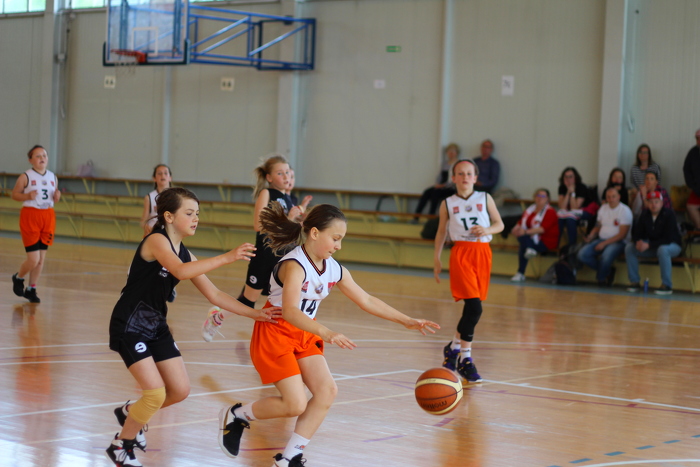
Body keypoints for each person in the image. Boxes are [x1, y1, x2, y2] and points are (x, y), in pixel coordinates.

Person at [209, 203, 439, 467]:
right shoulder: (294, 265)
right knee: (295, 404)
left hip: (304, 333)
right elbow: (290, 311)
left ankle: (289, 458)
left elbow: (366, 299)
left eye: (341, 240)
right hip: (276, 332)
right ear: (315, 233)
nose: (339, 246)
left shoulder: (334, 268)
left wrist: (406, 320)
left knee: (327, 391)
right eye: (336, 238)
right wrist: (327, 333)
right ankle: (237, 414)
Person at [105, 187, 281, 467]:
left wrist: (255, 314)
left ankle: (130, 412)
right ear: (168, 216)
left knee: (179, 390)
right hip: (130, 323)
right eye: (189, 213)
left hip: (156, 325)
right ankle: (121, 446)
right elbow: (180, 272)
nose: (195, 218)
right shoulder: (157, 241)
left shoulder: (185, 253)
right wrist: (227, 257)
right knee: (155, 393)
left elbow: (215, 295)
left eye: (197, 213)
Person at [433, 159, 504, 384]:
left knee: (472, 308)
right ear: (453, 178)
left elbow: (500, 224)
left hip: (483, 253)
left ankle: (453, 348)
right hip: (461, 253)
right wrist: (437, 258)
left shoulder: (485, 198)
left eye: (469, 173)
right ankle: (465, 359)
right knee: (474, 307)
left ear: (475, 177)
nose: (465, 177)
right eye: (460, 173)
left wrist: (487, 229)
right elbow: (441, 232)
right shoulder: (447, 203)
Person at [237, 155, 304, 309]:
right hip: (265, 255)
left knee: (284, 299)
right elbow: (258, 225)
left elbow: (287, 229)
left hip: (283, 255)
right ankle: (217, 316)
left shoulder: (288, 199)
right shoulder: (266, 193)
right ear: (269, 177)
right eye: (280, 173)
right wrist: (288, 219)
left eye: (287, 172)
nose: (286, 176)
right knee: (248, 301)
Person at [11, 145, 60, 304]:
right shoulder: (26, 176)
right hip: (31, 215)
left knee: (40, 260)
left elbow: (52, 197)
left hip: (48, 216)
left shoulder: (53, 176)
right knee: (33, 259)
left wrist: (57, 196)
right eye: (37, 156)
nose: (41, 158)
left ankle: (32, 288)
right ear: (30, 160)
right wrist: (27, 196)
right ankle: (18, 278)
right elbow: (14, 195)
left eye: (44, 155)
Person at [625, 190, 682, 295]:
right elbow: (637, 233)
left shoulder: (669, 214)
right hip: (653, 246)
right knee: (630, 248)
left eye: (656, 202)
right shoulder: (644, 214)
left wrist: (648, 245)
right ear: (647, 203)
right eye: (651, 202)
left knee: (663, 249)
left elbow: (668, 239)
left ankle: (667, 285)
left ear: (661, 203)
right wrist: (639, 242)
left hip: (672, 246)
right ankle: (634, 282)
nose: (653, 205)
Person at [576, 186, 632, 286]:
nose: (611, 199)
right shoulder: (603, 208)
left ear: (618, 197)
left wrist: (604, 244)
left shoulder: (625, 210)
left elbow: (622, 235)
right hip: (601, 239)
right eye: (608, 197)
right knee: (582, 254)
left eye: (613, 196)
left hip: (619, 242)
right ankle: (608, 271)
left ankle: (601, 280)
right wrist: (591, 236)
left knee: (606, 256)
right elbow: (598, 226)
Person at [510, 188, 559, 282]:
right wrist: (515, 230)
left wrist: (524, 232)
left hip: (545, 241)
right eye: (538, 195)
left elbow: (542, 229)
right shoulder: (530, 210)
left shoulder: (550, 212)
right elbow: (520, 223)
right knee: (522, 238)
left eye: (543, 196)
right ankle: (529, 249)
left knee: (523, 241)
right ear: (534, 197)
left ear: (548, 199)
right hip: (531, 239)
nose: (540, 198)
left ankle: (520, 273)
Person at [413, 143, 460, 220]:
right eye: (449, 151)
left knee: (435, 193)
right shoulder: (444, 163)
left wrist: (443, 185)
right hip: (441, 186)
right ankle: (416, 217)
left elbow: (453, 179)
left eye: (453, 151)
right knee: (427, 192)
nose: (451, 153)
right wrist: (437, 184)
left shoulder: (458, 164)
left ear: (456, 153)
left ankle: (431, 216)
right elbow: (440, 175)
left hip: (450, 188)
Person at [556, 166, 595, 247]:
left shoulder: (581, 187)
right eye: (566, 177)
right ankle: (555, 245)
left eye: (570, 176)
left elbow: (575, 208)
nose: (568, 179)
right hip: (570, 211)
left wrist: (573, 192)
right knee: (559, 217)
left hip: (586, 211)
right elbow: (562, 207)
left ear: (575, 177)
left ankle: (572, 246)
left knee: (570, 218)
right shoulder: (562, 187)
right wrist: (568, 192)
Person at [140, 164, 172, 237]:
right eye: (159, 173)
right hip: (154, 234)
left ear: (170, 178)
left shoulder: (176, 197)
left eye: (165, 173)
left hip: (170, 235)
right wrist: (147, 227)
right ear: (154, 178)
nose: (162, 175)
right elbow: (143, 222)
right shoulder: (149, 197)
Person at [683, 128, 700, 230]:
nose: (698, 141)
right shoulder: (693, 152)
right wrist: (692, 185)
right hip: (697, 189)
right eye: (697, 138)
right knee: (690, 206)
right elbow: (686, 169)